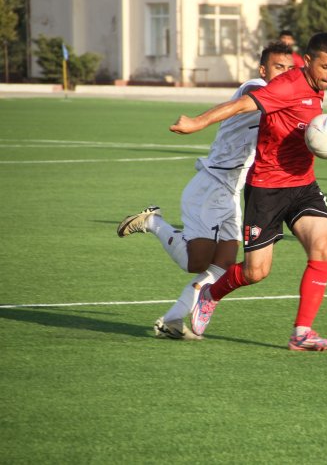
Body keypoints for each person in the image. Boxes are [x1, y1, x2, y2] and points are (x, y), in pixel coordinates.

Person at [170, 32, 327, 351]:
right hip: (267, 189)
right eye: (326, 67)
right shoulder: (286, 86)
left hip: (303, 185)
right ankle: (210, 294)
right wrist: (197, 123)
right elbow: (241, 104)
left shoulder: (315, 86)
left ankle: (301, 333)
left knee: (322, 246)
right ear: (308, 61)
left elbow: (308, 125)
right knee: (256, 272)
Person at [116, 42, 296, 340]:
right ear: (264, 69)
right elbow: (257, 100)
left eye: (289, 69)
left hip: (232, 193)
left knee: (223, 266)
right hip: (211, 185)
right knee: (195, 263)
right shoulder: (255, 87)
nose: (284, 74)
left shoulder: (282, 101)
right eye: (278, 67)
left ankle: (172, 320)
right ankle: (153, 222)